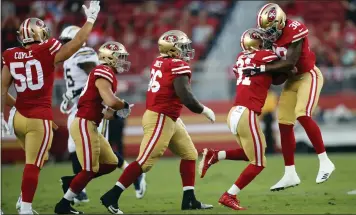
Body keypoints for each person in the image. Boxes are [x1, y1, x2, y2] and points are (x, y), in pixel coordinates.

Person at [0, 1, 100, 214]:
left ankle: (20, 200)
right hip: (39, 118)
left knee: (38, 158)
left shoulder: (10, 54)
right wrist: (90, 19)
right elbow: (78, 42)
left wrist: (3, 112)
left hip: (16, 117)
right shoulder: (47, 50)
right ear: (40, 34)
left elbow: (2, 88)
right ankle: (25, 207)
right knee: (34, 163)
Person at [100, 30, 215, 214]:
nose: (186, 50)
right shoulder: (176, 64)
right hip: (160, 117)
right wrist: (203, 109)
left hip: (168, 116)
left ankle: (189, 199)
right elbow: (185, 96)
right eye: (183, 47)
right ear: (172, 48)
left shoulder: (159, 61)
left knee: (190, 154)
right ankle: (111, 196)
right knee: (144, 163)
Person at [242, 3, 335, 191]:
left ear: (281, 22)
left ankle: (325, 161)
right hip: (292, 81)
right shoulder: (269, 38)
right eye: (265, 31)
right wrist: (272, 69)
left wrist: (261, 69)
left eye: (271, 30)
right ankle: (290, 173)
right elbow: (279, 78)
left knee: (302, 113)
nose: (268, 35)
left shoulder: (295, 29)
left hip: (309, 75)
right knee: (284, 123)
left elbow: (291, 62)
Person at [199, 28, 291, 210]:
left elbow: (269, 75)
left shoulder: (241, 58)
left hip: (235, 112)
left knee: (254, 152)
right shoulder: (263, 56)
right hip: (246, 113)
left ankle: (216, 155)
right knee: (258, 162)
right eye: (261, 40)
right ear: (254, 42)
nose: (264, 43)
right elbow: (287, 64)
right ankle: (229, 195)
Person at [58, 26, 146, 204]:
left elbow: (94, 76)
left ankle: (133, 175)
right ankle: (78, 189)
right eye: (64, 43)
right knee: (74, 149)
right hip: (79, 109)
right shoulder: (69, 58)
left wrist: (75, 92)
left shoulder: (85, 54)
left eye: (67, 42)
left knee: (101, 154)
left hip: (92, 108)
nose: (65, 46)